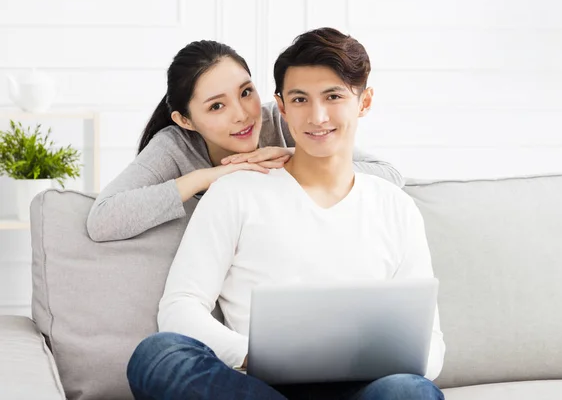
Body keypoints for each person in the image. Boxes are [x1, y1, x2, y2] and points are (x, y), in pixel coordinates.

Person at [126, 28, 445, 400]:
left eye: (334, 96)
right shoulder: (234, 192)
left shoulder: (395, 207)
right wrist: (257, 354)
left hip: (364, 389)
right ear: (281, 107)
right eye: (300, 99)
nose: (318, 116)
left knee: (410, 391)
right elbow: (180, 308)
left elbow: (431, 347)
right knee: (158, 356)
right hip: (256, 384)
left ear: (364, 102)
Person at [86, 40, 403, 242]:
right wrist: (206, 178)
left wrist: (296, 157)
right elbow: (103, 220)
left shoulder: (283, 120)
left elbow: (390, 175)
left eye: (246, 92)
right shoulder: (175, 146)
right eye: (216, 106)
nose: (243, 115)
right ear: (186, 120)